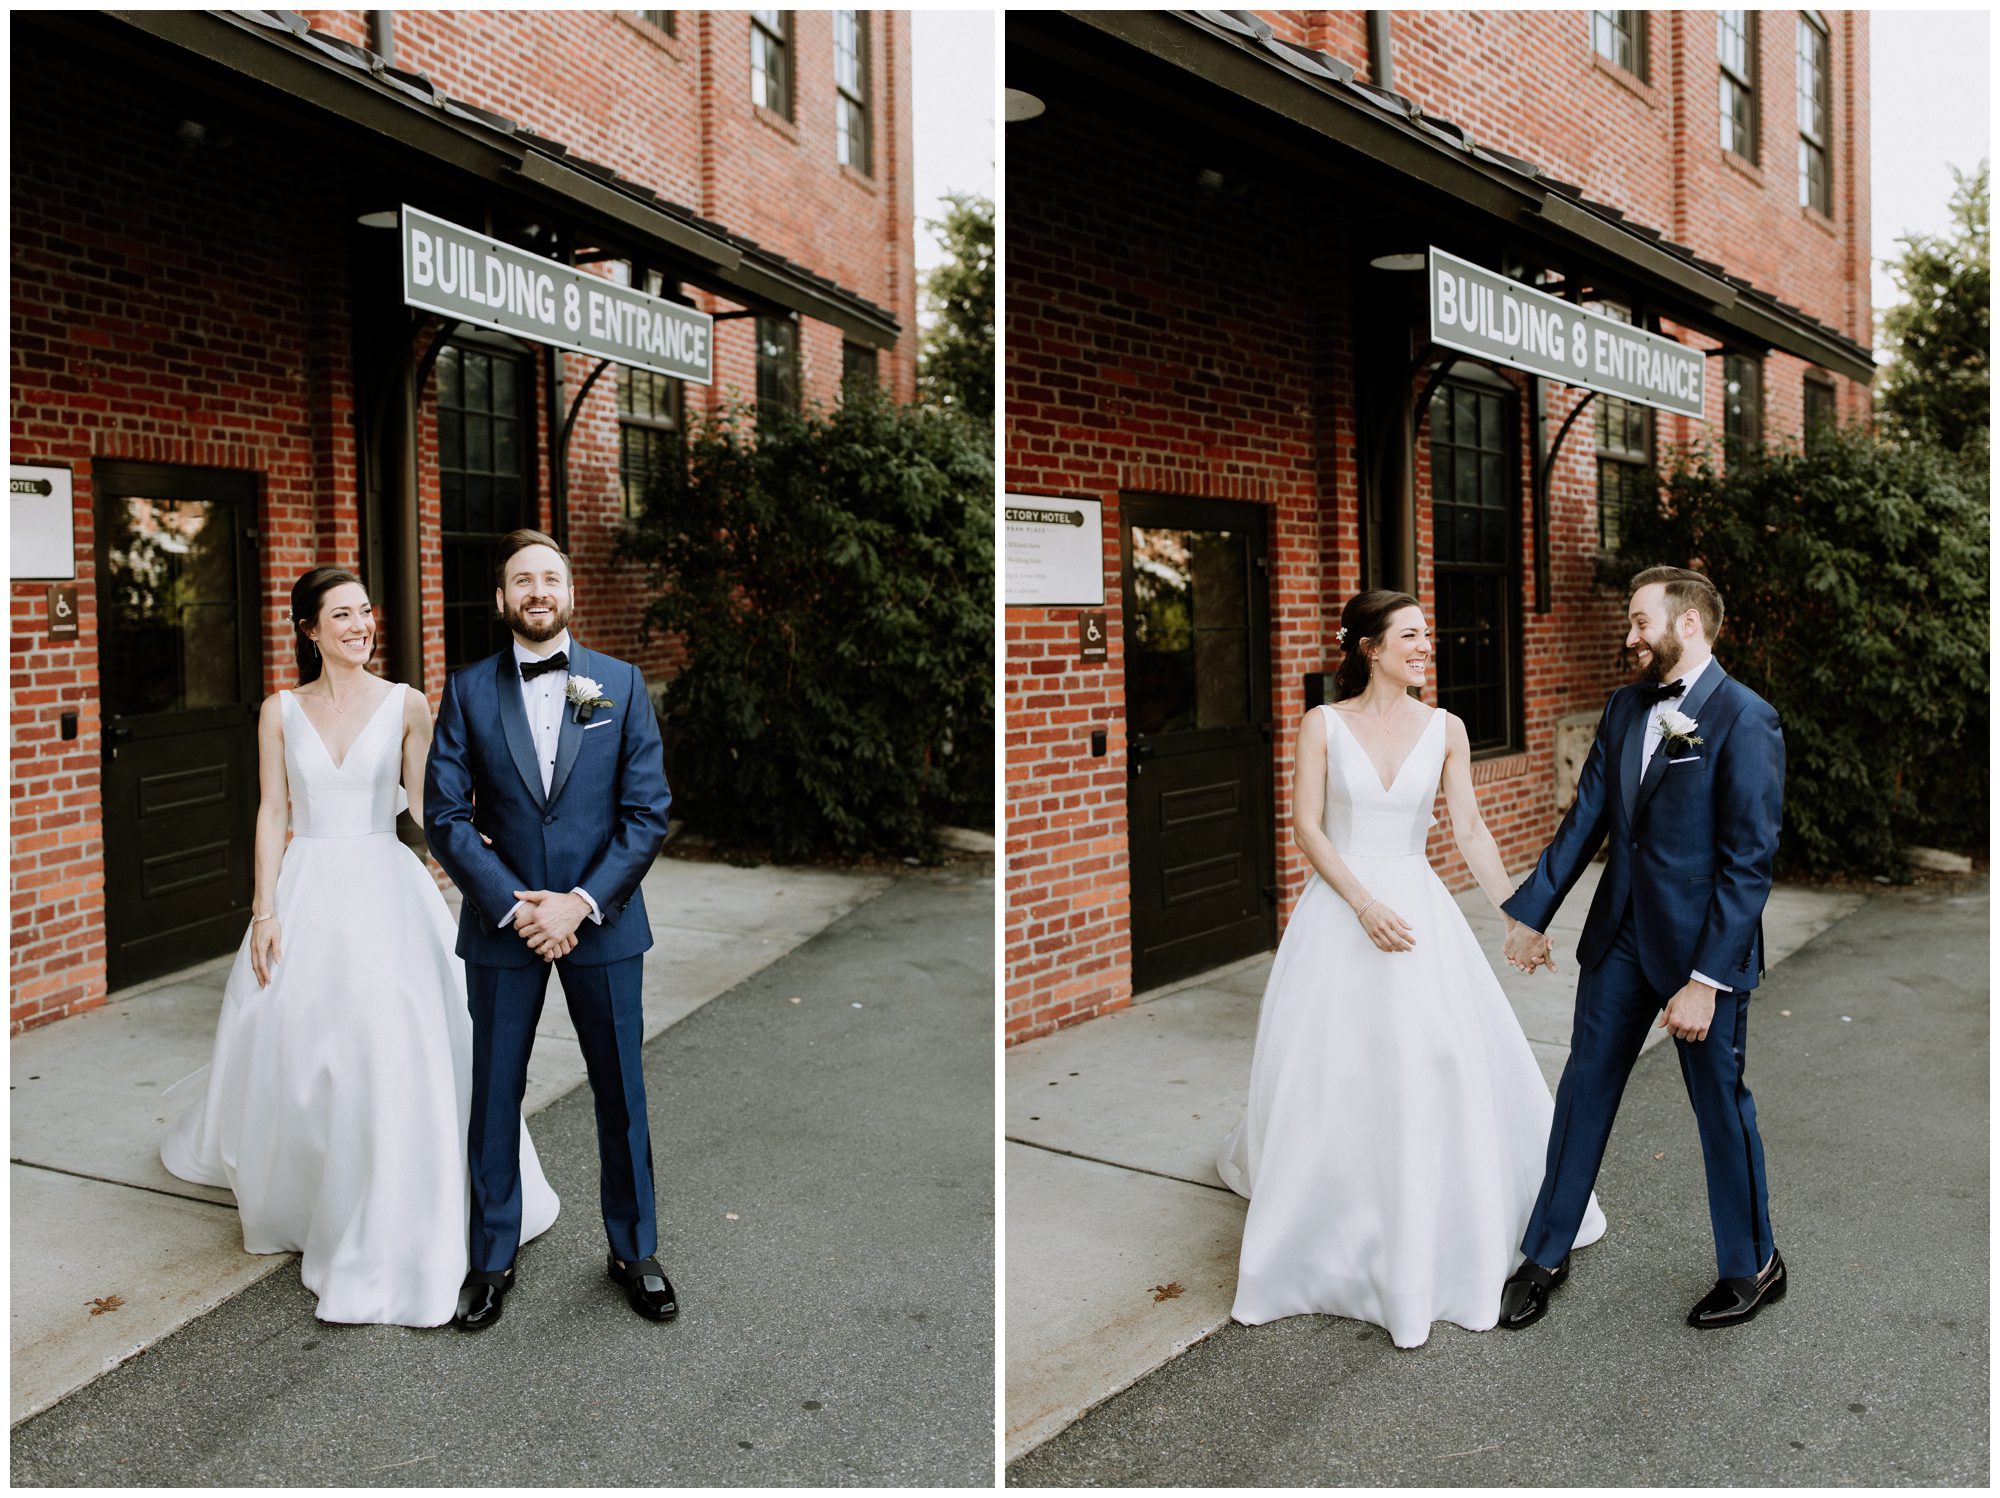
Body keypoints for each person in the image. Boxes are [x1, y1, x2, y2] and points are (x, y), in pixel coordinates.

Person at [162, 567, 559, 1327]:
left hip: (386, 884)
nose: (360, 625)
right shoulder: (280, 711)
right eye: (340, 615)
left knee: (391, 1041)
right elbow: (272, 809)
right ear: (309, 630)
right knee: (305, 1045)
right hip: (308, 887)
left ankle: (403, 1198)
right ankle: (320, 1193)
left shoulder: (406, 704)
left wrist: (497, 869)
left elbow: (429, 807)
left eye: (365, 613)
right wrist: (265, 908)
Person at [1217, 590, 1604, 1348]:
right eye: (1411, 636)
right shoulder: (1322, 724)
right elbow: (1305, 826)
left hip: (1420, 912)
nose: (1427, 646)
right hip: (1342, 910)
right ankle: (1327, 1227)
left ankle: (1432, 1217)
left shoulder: (1448, 729)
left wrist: (1518, 913)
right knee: (1332, 1070)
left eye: (1429, 635)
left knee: (1435, 1059)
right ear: (1369, 646)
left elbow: (1467, 827)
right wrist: (1361, 904)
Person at [1498, 566, 1786, 1330]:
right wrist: (1534, 913)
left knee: (1719, 1107)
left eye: (1638, 622)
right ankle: (1546, 1252)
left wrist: (1705, 980)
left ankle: (1752, 1264)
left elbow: (1747, 864)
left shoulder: (1746, 718)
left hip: (1700, 955)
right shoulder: (1627, 707)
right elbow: (1587, 814)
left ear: (1687, 625)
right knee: (1583, 1090)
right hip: (1617, 938)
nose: (1629, 638)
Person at [424, 529, 675, 1330]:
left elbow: (646, 815)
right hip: (506, 926)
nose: (537, 591)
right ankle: (492, 1256)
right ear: (500, 600)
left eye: (550, 579)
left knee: (621, 1093)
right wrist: (517, 904)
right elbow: (445, 816)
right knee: (496, 1092)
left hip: (602, 921)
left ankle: (634, 1250)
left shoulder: (621, 686)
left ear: (570, 595)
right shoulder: (465, 692)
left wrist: (577, 903)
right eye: (521, 580)